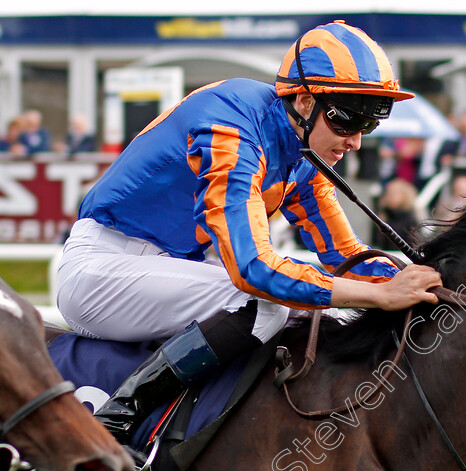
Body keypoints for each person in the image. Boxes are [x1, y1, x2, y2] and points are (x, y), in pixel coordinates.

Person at [55, 21, 442, 444]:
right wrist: (380, 295)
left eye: (368, 125)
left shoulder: (302, 149)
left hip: (176, 272)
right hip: (103, 270)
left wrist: (428, 285)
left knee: (334, 312)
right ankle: (118, 419)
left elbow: (345, 257)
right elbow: (252, 268)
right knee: (267, 305)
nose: (356, 142)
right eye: (348, 120)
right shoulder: (231, 126)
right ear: (305, 99)